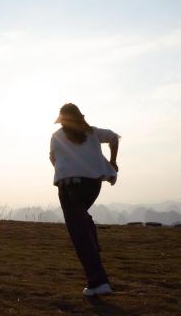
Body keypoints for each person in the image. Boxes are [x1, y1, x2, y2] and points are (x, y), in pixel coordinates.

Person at [49, 103, 119, 297]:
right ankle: (90, 233)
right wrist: (112, 161)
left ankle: (98, 282)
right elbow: (114, 137)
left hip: (68, 186)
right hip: (93, 186)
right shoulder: (94, 133)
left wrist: (61, 166)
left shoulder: (56, 137)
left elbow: (52, 158)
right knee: (81, 220)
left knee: (78, 235)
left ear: (62, 121)